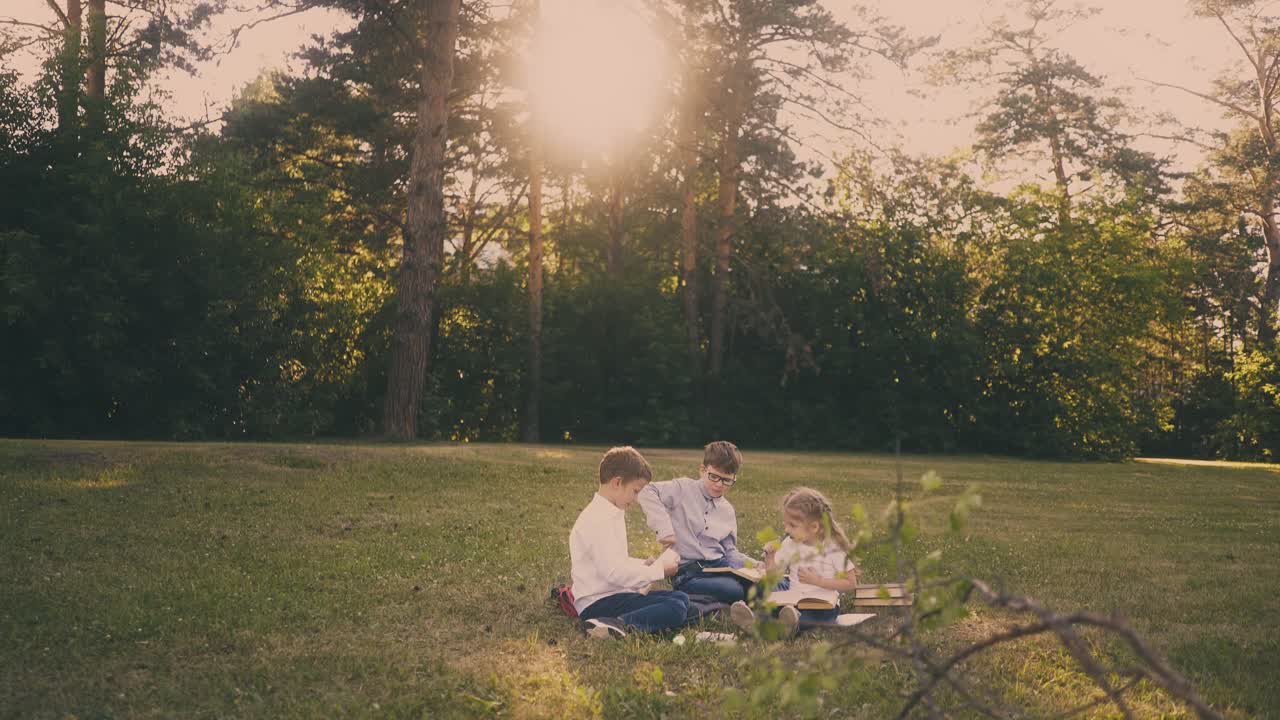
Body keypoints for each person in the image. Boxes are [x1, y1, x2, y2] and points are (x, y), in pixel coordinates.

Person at [571, 446, 687, 638]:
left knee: (681, 599)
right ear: (617, 482)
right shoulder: (598, 520)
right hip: (597, 603)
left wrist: (643, 565)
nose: (636, 500)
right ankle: (616, 625)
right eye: (635, 491)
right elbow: (614, 573)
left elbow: (615, 561)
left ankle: (641, 622)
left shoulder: (612, 513)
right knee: (676, 607)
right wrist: (659, 570)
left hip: (613, 595)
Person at [730, 486, 858, 637]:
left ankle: (778, 626)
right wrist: (770, 557)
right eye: (786, 524)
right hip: (792, 601)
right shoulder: (790, 544)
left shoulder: (832, 548)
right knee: (766, 592)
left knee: (810, 617)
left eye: (792, 525)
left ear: (814, 527)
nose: (786, 529)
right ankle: (761, 622)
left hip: (821, 605)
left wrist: (819, 581)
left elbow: (851, 583)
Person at [638, 441, 755, 604]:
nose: (719, 484)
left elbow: (729, 552)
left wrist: (754, 565)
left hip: (719, 566)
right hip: (687, 571)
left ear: (734, 478)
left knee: (759, 584)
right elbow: (647, 491)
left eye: (726, 480)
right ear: (702, 470)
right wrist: (664, 529)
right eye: (714, 476)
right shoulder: (683, 488)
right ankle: (690, 597)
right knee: (733, 590)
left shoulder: (727, 510)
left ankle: (714, 603)